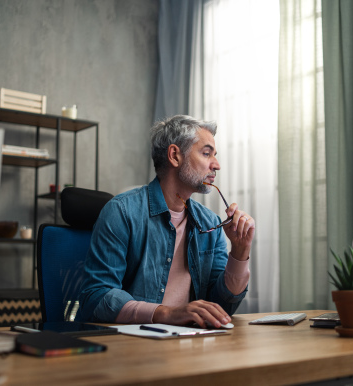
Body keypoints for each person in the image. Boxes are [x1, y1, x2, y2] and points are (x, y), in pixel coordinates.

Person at [76, 115, 255, 328]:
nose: (216, 165)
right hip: (127, 347)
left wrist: (240, 251)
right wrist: (167, 314)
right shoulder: (121, 212)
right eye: (206, 153)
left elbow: (221, 308)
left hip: (188, 346)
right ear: (174, 156)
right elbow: (96, 297)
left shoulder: (211, 223)